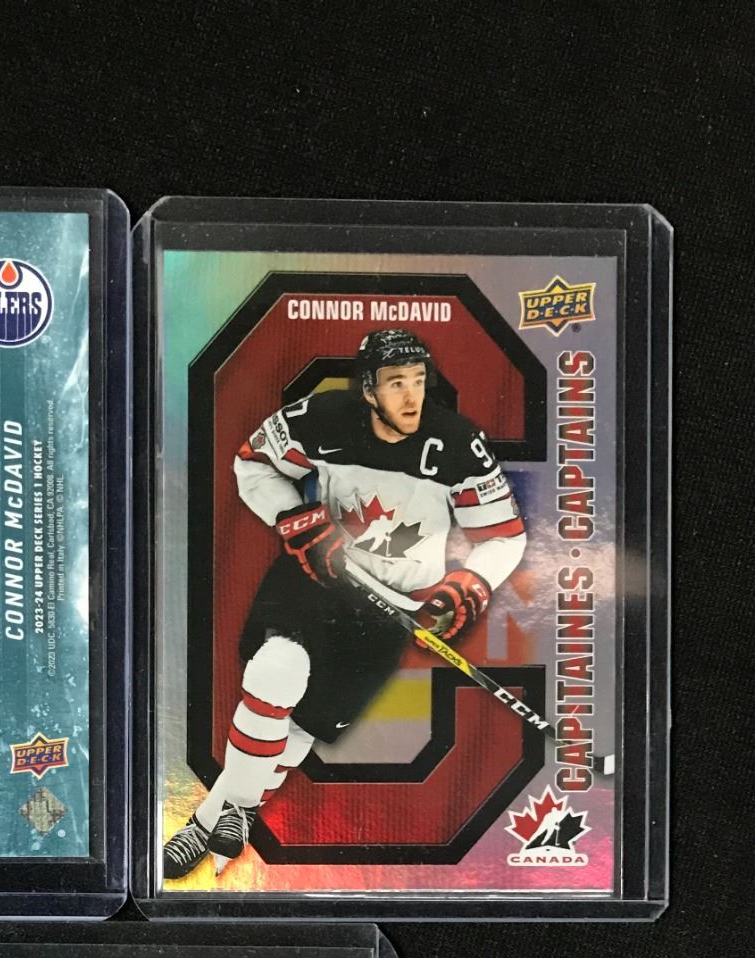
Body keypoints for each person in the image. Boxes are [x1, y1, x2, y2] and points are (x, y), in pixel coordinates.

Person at [164, 328, 527, 877]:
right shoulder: (324, 417)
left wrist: (469, 584)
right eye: (396, 383)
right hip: (319, 579)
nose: (411, 396)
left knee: (303, 726)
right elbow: (253, 462)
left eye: (419, 381)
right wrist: (294, 517)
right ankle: (216, 821)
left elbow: (504, 535)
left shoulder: (456, 442)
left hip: (389, 611)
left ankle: (220, 812)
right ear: (368, 389)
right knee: (275, 671)